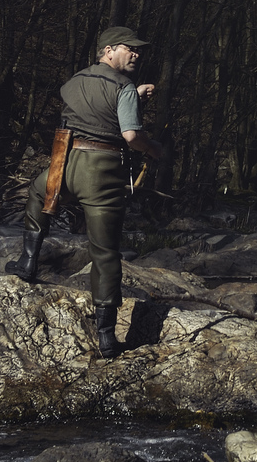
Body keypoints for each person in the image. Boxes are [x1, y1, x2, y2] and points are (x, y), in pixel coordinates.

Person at [18, 26, 164, 358]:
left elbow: (94, 110)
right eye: (131, 48)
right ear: (109, 49)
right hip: (102, 174)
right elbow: (129, 135)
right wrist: (153, 149)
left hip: (64, 164)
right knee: (105, 252)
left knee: (39, 193)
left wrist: (133, 96)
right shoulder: (124, 86)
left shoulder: (73, 82)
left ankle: (28, 262)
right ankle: (107, 336)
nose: (137, 54)